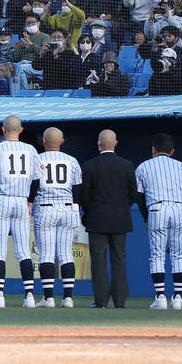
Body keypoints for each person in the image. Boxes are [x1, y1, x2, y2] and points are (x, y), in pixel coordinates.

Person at [0, 115, 41, 309]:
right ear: (21, 130)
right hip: (21, 201)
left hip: (1, 199)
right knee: (23, 250)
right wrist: (31, 201)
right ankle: (30, 296)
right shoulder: (30, 149)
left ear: (3, 130)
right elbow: (36, 180)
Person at [134, 133, 182, 310]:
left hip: (157, 209)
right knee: (179, 255)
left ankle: (160, 297)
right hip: (180, 209)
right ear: (172, 151)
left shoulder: (143, 166)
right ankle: (178, 298)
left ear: (153, 149)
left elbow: (139, 197)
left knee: (157, 255)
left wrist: (146, 218)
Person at [78, 129, 138, 309]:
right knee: (119, 259)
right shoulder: (127, 165)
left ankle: (101, 301)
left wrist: (89, 212)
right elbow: (133, 194)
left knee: (98, 261)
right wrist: (122, 209)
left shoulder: (89, 166)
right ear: (115, 143)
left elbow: (84, 196)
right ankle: (120, 301)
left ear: (99, 143)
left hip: (96, 219)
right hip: (120, 219)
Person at [34, 127, 83, 308]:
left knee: (46, 255)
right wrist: (76, 208)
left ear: (44, 141)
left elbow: (33, 185)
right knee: (66, 255)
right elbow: (78, 187)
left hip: (46, 208)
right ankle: (68, 298)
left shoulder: (37, 159)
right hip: (68, 208)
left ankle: (48, 298)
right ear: (62, 141)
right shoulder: (72, 160)